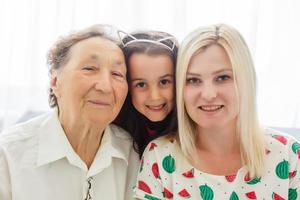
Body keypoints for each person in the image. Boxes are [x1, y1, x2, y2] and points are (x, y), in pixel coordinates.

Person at [134, 24, 300, 200]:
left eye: (222, 78)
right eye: (193, 80)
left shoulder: (288, 154)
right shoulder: (160, 158)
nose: (208, 94)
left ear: (246, 80)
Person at [0, 24, 139, 200]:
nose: (105, 86)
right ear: (55, 83)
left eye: (117, 74)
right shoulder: (8, 153)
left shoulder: (132, 153)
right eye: (90, 69)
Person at [114, 31, 178, 158]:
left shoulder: (194, 124)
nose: (155, 97)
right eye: (141, 84)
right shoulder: (114, 125)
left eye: (164, 82)